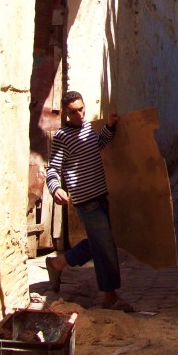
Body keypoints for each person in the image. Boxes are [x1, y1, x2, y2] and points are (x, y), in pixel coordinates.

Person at [45, 90, 133, 312]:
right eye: (74, 112)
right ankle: (110, 296)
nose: (79, 115)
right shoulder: (61, 137)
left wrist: (110, 126)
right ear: (66, 113)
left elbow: (99, 144)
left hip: (101, 195)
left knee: (99, 242)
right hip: (86, 201)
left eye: (81, 109)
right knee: (105, 246)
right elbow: (53, 168)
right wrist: (55, 188)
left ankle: (57, 263)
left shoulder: (88, 128)